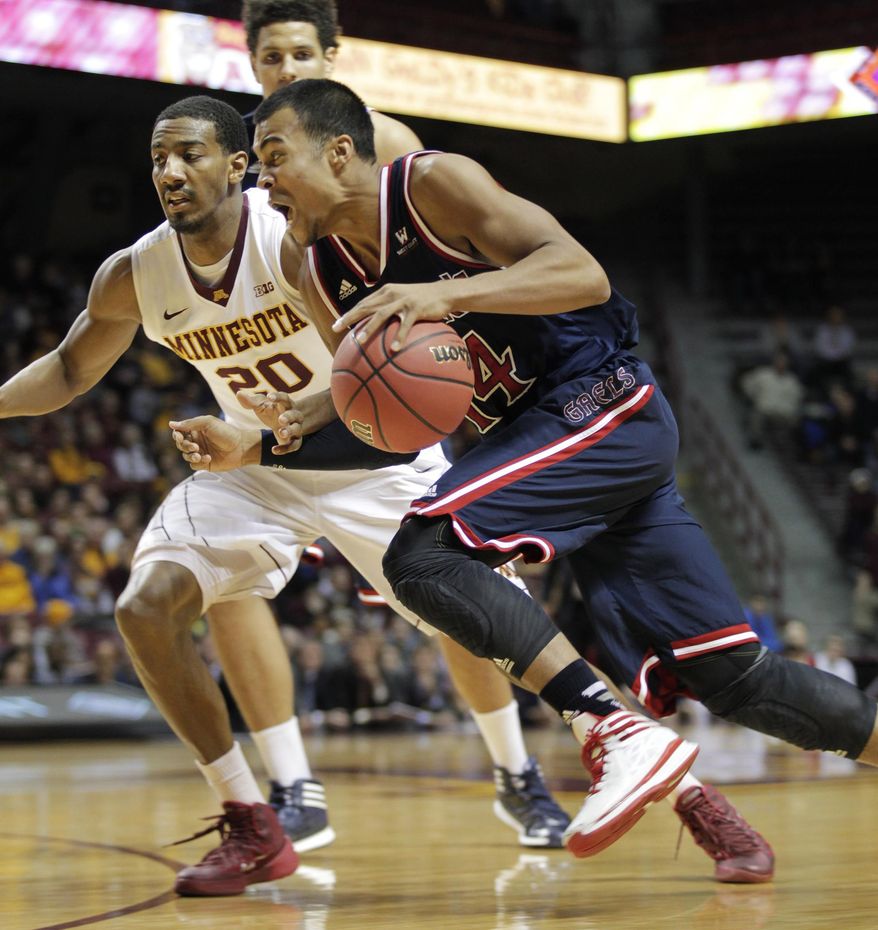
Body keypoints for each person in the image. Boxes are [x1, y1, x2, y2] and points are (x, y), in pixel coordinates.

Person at [233, 77, 878, 857]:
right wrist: (309, 414)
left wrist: (451, 297)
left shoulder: (433, 184)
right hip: (540, 449)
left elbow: (582, 276)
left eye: (273, 156)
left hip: (599, 401)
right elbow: (387, 393)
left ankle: (610, 731)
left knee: (421, 552)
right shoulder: (315, 268)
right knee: (737, 677)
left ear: (340, 152)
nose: (260, 182)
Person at [0, 94, 573, 897]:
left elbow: (378, 370)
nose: (170, 172)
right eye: (159, 159)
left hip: (373, 455)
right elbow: (66, 370)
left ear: (239, 167)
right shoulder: (136, 272)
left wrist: (282, 433)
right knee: (144, 606)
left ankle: (533, 770)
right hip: (256, 473)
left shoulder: (296, 244)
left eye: (190, 155)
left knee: (483, 632)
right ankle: (251, 818)